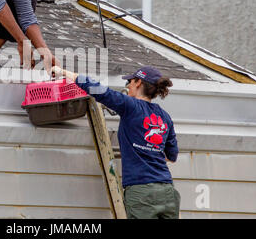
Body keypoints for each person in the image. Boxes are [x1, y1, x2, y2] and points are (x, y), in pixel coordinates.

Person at [52, 65, 181, 219]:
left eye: (130, 82)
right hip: (168, 191)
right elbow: (172, 156)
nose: (128, 86)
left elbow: (99, 91)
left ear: (138, 82)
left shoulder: (130, 106)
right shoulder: (165, 117)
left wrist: (63, 72)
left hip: (142, 193)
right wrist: (150, 150)